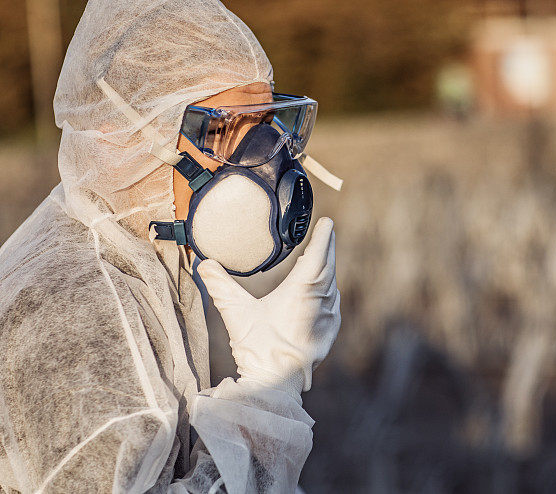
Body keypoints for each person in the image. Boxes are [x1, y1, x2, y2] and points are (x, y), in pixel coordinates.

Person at [0, 0, 340, 492]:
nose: (264, 159)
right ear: (118, 138)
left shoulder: (128, 256)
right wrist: (270, 395)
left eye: (266, 124)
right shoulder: (74, 309)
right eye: (225, 130)